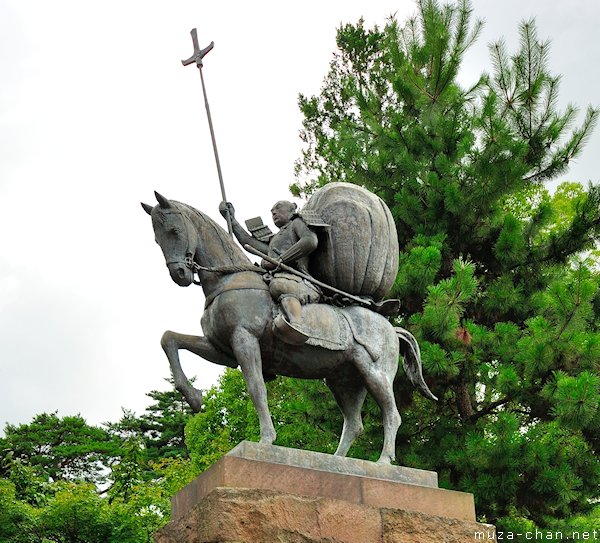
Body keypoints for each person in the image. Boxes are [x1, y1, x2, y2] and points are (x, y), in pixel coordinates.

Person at [219, 200, 321, 343]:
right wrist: (231, 220)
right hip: (275, 277)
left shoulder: (296, 223)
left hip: (298, 280)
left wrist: (279, 260)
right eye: (272, 210)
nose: (273, 212)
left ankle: (296, 325)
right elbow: (248, 242)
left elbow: (310, 241)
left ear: (292, 210)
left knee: (280, 286)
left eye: (278, 208)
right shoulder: (275, 239)